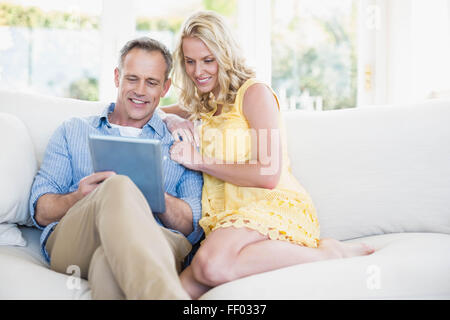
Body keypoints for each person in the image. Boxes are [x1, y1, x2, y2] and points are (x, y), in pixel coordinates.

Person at [159, 11, 375, 299]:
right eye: (190, 61)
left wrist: (198, 160)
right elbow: (152, 109)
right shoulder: (204, 103)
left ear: (226, 55)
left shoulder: (254, 94)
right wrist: (172, 119)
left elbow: (269, 173)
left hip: (271, 206)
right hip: (226, 221)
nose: (198, 71)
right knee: (178, 292)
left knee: (210, 265)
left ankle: (329, 254)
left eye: (208, 60)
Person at [29, 37, 203, 300]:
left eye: (152, 82)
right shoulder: (73, 130)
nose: (140, 90)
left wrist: (155, 196)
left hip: (157, 238)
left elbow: (193, 226)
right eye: (132, 79)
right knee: (118, 184)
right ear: (116, 77)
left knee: (107, 267)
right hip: (77, 241)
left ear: (165, 87)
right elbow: (40, 211)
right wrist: (81, 197)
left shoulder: (179, 142)